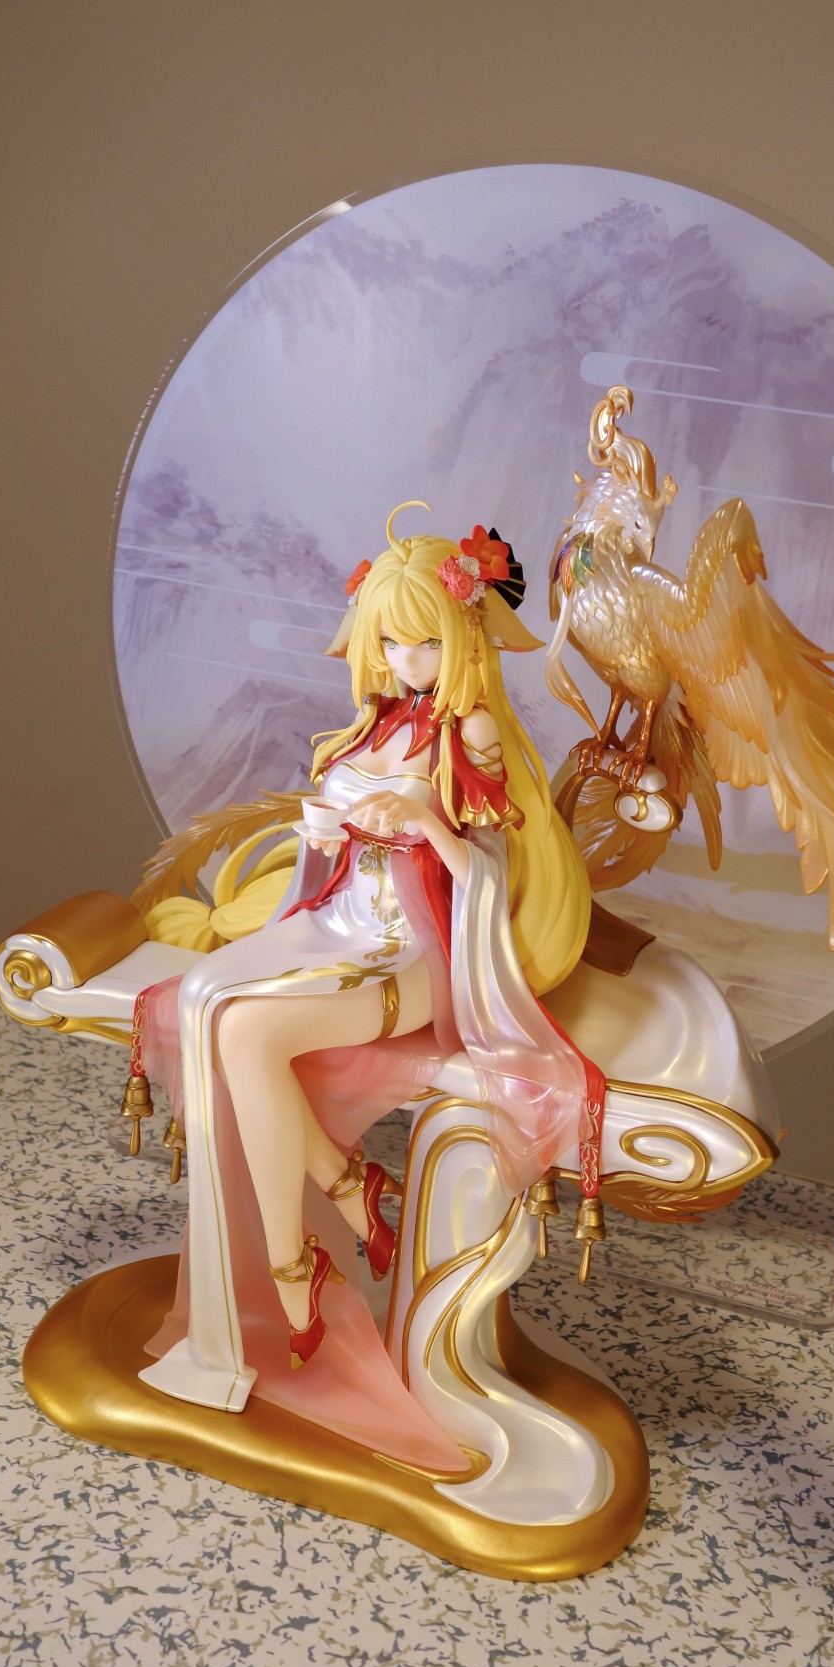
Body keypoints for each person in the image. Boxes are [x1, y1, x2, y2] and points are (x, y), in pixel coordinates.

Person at [132, 505, 601, 1459]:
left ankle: (299, 1262)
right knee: (209, 1002)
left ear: (460, 637)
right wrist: (322, 837)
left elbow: (489, 873)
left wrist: (424, 822)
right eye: (388, 642)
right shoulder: (375, 723)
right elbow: (334, 857)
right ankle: (343, 1198)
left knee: (242, 1031)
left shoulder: (470, 732)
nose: (401, 660)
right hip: (335, 922)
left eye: (420, 642)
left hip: (413, 952)